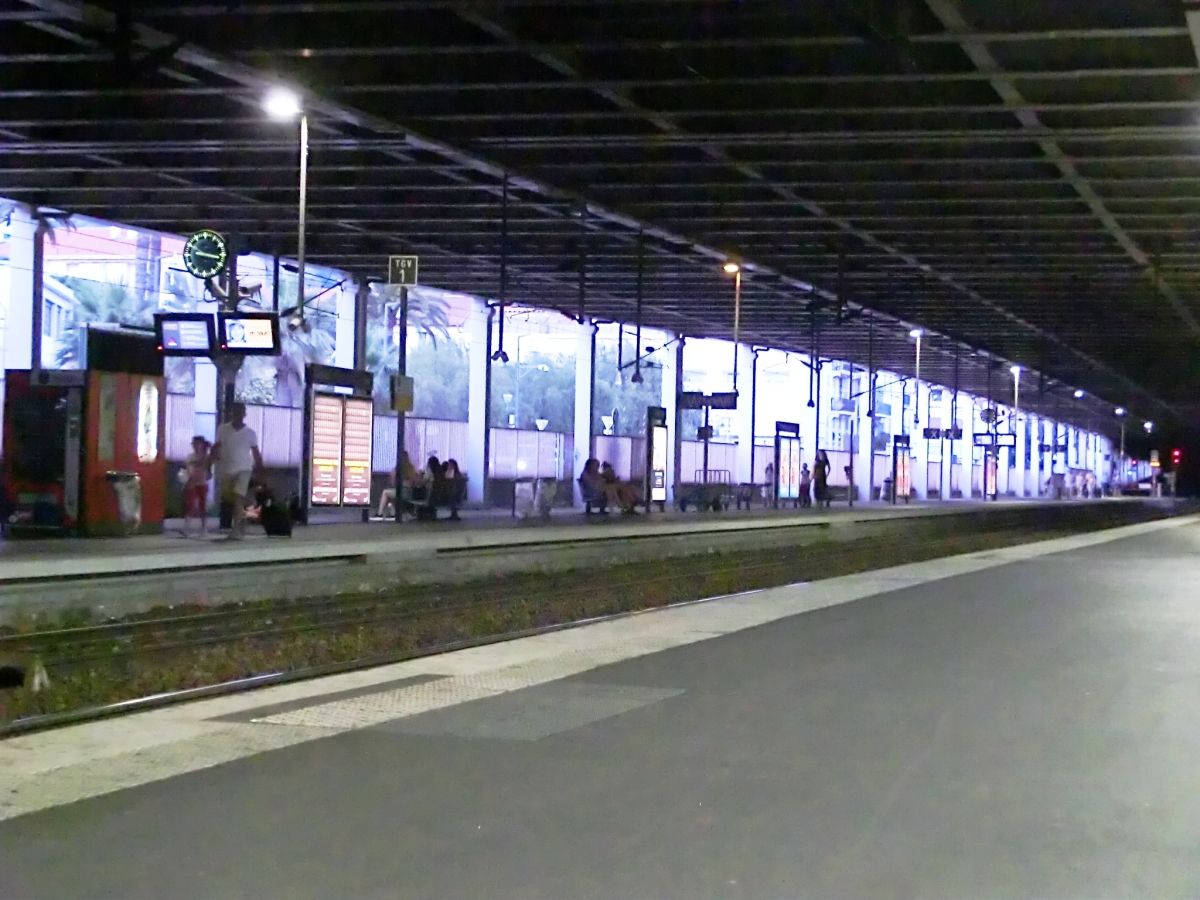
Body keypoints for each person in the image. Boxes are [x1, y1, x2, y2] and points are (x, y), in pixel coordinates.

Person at [211, 402, 262, 541]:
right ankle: (243, 519)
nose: (238, 415)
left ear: (244, 414)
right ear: (231, 413)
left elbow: (256, 453)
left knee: (238, 497)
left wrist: (260, 471)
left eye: (240, 412)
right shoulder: (223, 429)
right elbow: (216, 448)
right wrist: (210, 465)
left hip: (244, 469)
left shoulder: (250, 433)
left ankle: (236, 530)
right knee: (231, 499)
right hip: (227, 470)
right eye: (235, 412)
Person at [182, 435, 212, 536]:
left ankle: (204, 528)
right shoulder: (190, 457)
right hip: (191, 483)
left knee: (203, 506)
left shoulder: (207, 457)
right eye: (194, 444)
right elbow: (188, 469)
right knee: (190, 505)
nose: (195, 446)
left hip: (202, 483)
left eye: (197, 444)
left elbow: (209, 469)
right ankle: (186, 528)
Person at [377, 450, 419, 518]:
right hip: (409, 493)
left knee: (385, 492)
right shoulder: (411, 468)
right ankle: (392, 513)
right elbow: (414, 481)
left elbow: (393, 483)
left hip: (401, 492)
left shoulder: (397, 469)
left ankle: (380, 513)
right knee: (392, 495)